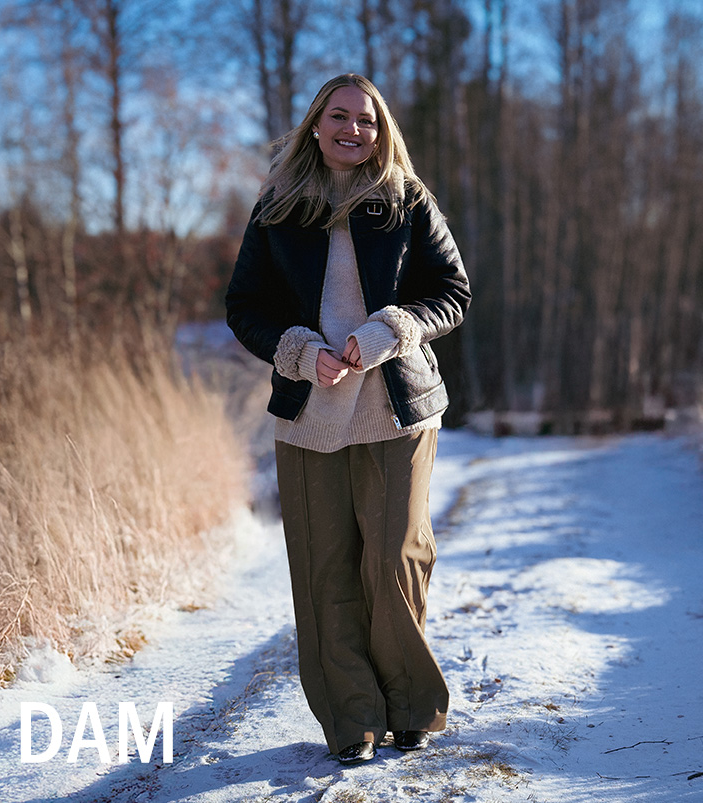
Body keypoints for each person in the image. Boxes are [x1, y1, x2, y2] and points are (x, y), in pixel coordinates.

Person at [225, 73, 471, 765]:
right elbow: (245, 306)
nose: (353, 130)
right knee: (323, 569)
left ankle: (412, 707)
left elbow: (451, 292)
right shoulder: (277, 207)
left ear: (380, 130)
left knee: (393, 559)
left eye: (366, 120)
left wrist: (391, 329)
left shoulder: (405, 198)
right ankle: (352, 721)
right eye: (339, 116)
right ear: (314, 125)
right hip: (309, 416)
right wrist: (299, 351)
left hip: (397, 410)